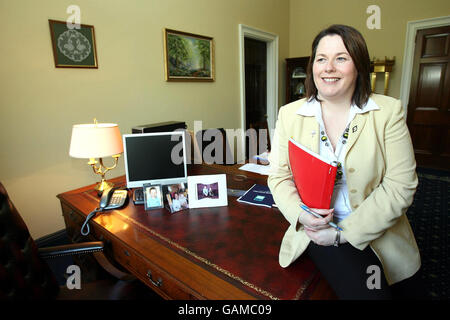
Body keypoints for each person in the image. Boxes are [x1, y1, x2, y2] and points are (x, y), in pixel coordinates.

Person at [268, 24, 423, 300]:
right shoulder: (289, 114)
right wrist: (303, 217)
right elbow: (279, 177)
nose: (329, 67)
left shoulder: (388, 112)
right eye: (321, 58)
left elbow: (401, 186)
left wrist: (342, 235)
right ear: (312, 66)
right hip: (317, 231)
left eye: (341, 58)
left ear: (359, 66)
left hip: (376, 228)